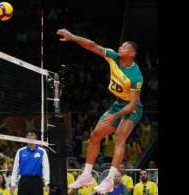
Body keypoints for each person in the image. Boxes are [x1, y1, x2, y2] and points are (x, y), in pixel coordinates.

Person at [57, 28, 144, 194]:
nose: (120, 47)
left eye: (124, 47)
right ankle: (87, 174)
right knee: (95, 135)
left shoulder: (136, 75)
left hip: (132, 108)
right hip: (118, 103)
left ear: (132, 53)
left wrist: (115, 115)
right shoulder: (113, 56)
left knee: (119, 137)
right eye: (121, 45)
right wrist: (73, 37)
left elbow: (132, 105)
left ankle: (110, 179)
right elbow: (93, 46)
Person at [10, 129, 50, 195]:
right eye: (28, 135)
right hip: (23, 181)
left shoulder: (42, 151)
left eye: (32, 135)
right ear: (25, 138)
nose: (30, 137)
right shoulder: (20, 151)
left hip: (36, 182)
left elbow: (46, 168)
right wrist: (13, 184)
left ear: (36, 137)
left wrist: (47, 183)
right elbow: (15, 169)